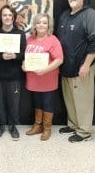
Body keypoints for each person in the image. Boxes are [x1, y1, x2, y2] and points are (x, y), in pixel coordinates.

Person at [56, 0, 95, 142]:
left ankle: (84, 132)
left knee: (83, 100)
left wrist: (86, 65)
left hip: (82, 67)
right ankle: (74, 125)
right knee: (70, 99)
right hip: (66, 67)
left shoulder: (90, 14)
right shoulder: (64, 16)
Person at [23, 13, 63, 141]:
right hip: (33, 79)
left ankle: (47, 128)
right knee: (37, 103)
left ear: (48, 25)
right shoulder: (29, 39)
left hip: (47, 79)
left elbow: (59, 59)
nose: (41, 25)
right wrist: (24, 65)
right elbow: (26, 57)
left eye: (44, 23)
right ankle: (37, 126)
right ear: (34, 24)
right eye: (39, 22)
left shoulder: (53, 40)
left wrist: (45, 70)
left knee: (47, 104)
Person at [0, 5, 26, 141]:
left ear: (14, 17)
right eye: (5, 15)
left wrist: (15, 56)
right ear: (1, 17)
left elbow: (23, 54)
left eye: (10, 15)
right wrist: (1, 57)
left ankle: (12, 125)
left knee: (13, 102)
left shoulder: (20, 34)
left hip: (14, 75)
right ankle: (1, 125)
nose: (7, 18)